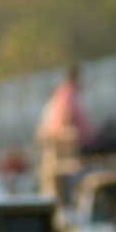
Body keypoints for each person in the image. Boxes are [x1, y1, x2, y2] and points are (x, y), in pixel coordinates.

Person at [36, 63, 93, 199]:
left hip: (63, 145)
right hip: (71, 146)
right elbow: (63, 124)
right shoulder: (67, 97)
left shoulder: (59, 96)